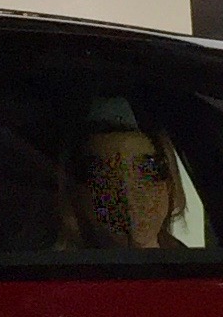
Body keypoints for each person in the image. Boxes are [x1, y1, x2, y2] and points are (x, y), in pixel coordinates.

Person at [58, 96, 185, 251]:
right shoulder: (62, 271)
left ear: (170, 186)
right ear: (76, 195)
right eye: (105, 177)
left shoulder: (197, 269)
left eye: (147, 169)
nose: (127, 193)